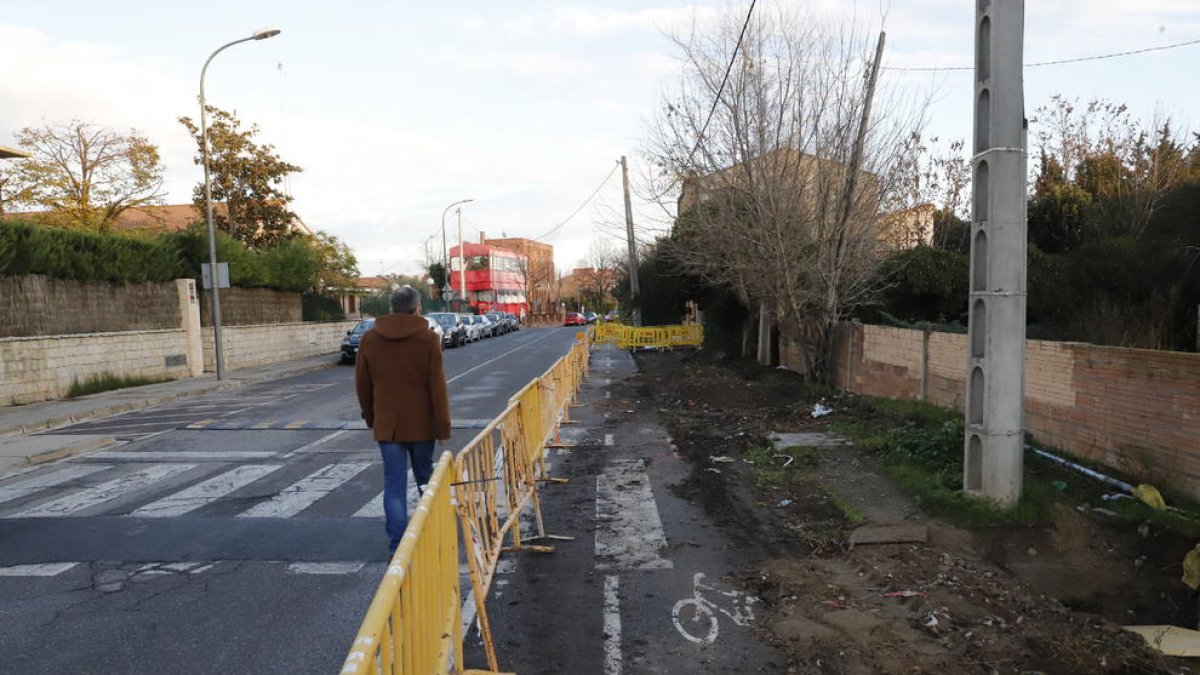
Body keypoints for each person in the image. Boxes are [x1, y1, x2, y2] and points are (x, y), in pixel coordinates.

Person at [354, 285, 451, 554]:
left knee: (393, 485)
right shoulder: (428, 339)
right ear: (417, 308)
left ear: (391, 308)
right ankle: (431, 534)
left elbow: (362, 384)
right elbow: (437, 387)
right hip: (422, 425)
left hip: (388, 426)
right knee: (425, 481)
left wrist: (372, 417)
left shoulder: (370, 339)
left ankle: (398, 545)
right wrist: (442, 426)